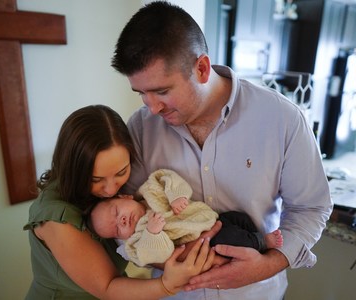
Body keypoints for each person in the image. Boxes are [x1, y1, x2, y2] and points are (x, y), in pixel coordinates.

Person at [111, 1, 333, 299]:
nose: (151, 108)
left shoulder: (282, 118)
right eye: (141, 94)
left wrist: (268, 264)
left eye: (162, 91)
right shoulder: (140, 128)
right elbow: (120, 215)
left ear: (201, 68)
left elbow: (311, 208)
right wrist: (165, 260)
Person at [23, 105, 217, 300]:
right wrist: (166, 285)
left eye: (121, 173)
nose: (110, 190)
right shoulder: (57, 218)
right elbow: (107, 287)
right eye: (96, 179)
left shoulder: (117, 196)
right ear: (75, 170)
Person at [89, 169, 283, 267]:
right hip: (207, 241)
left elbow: (167, 177)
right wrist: (153, 233)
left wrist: (177, 195)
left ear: (124, 196)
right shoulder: (137, 241)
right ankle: (261, 242)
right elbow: (157, 254)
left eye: (116, 213)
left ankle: (253, 232)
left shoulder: (150, 190)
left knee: (237, 218)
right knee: (230, 239)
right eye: (116, 229)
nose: (121, 221)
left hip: (208, 217)